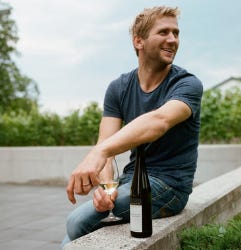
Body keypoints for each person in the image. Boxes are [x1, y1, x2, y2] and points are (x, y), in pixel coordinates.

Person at [62, 6, 202, 246]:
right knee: (76, 235)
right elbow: (105, 141)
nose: (173, 40)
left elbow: (159, 121)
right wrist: (107, 187)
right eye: (164, 32)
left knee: (77, 223)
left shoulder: (186, 84)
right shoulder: (119, 87)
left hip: (169, 186)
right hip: (131, 181)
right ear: (139, 41)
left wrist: (100, 152)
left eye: (176, 33)